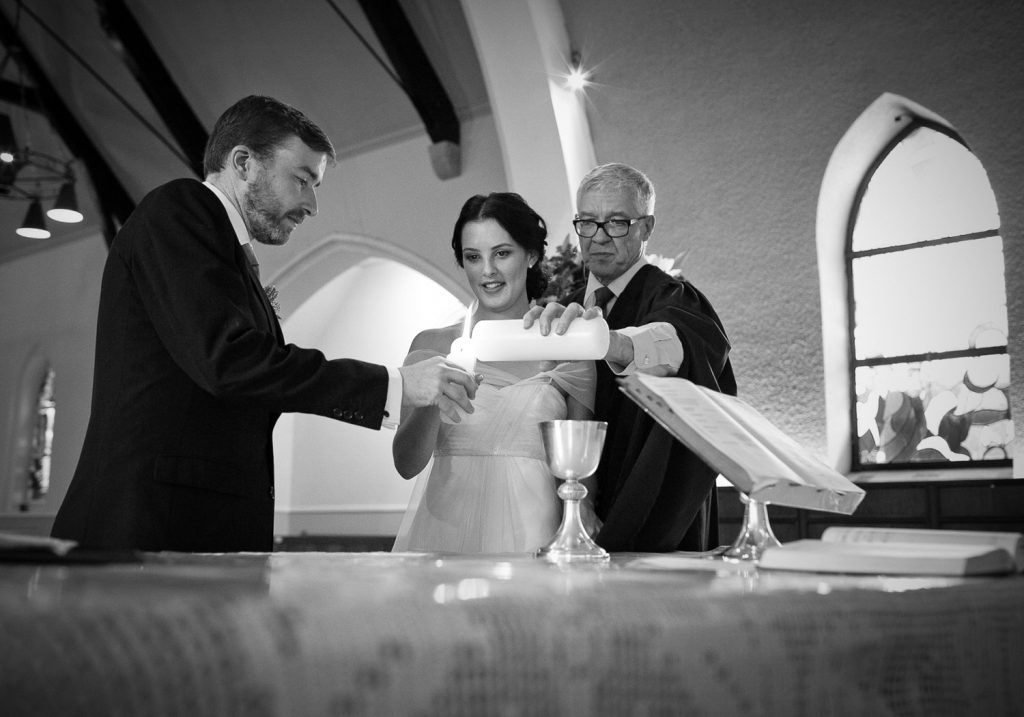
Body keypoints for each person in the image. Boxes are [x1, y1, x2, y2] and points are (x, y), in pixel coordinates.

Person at [51, 95, 479, 553]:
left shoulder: (226, 250)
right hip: (145, 527)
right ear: (243, 163)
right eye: (302, 180)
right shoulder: (179, 210)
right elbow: (230, 361)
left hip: (192, 528)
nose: (312, 204)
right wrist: (395, 386)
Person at [525, 163, 736, 553]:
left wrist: (609, 342)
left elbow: (675, 343)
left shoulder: (673, 298)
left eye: (617, 222)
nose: (599, 236)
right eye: (587, 222)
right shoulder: (565, 311)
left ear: (647, 228)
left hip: (654, 511)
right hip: (561, 514)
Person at [392, 193, 596, 554]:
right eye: (473, 257)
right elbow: (406, 464)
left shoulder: (567, 347)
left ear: (531, 255)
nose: (487, 270)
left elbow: (584, 480)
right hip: (445, 532)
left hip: (535, 536)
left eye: (502, 253)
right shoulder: (433, 345)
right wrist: (433, 397)